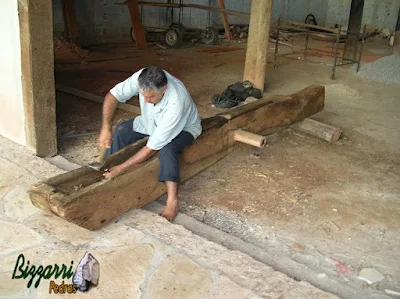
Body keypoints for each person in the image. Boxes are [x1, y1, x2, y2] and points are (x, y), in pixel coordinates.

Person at [99, 66, 202, 221]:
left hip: (184, 127)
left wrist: (121, 168)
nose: (146, 100)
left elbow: (151, 148)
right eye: (143, 95)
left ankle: (172, 201)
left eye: (151, 97)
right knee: (120, 130)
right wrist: (106, 128)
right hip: (150, 122)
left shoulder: (176, 102)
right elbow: (112, 95)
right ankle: (106, 172)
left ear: (164, 89)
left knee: (167, 150)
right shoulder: (142, 77)